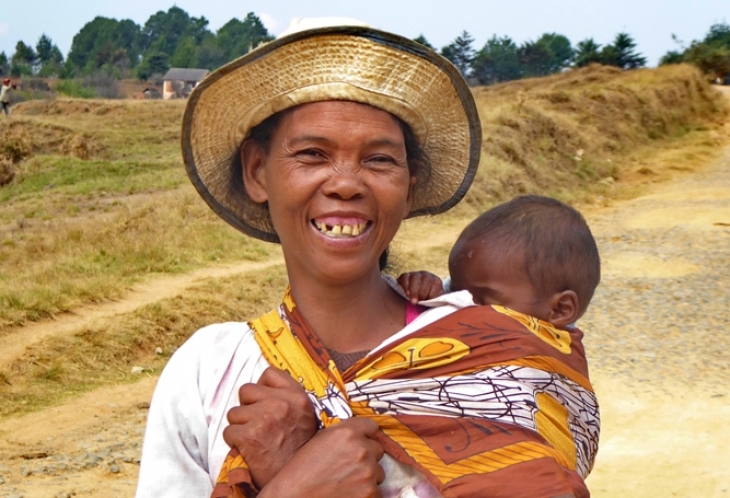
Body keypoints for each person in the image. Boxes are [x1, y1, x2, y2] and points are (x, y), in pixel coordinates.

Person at [136, 19, 595, 498]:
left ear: (408, 182)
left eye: (379, 160)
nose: (346, 183)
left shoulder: (494, 347)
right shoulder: (210, 371)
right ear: (257, 172)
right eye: (312, 154)